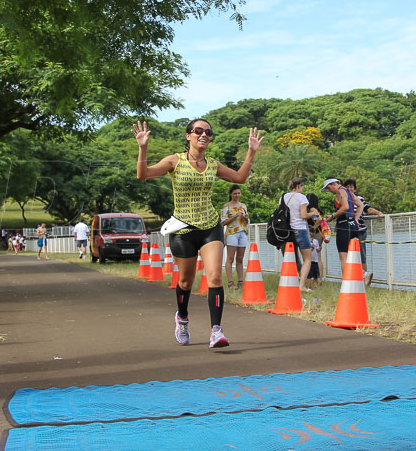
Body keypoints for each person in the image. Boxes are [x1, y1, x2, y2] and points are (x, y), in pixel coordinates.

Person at [134, 119, 262, 349]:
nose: (204, 135)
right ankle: (182, 318)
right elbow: (143, 175)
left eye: (208, 132)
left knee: (214, 276)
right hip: (182, 230)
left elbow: (239, 178)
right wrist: (143, 147)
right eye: (198, 131)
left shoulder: (213, 164)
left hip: (210, 226)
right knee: (185, 281)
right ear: (188, 136)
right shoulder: (174, 161)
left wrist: (251, 152)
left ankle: (216, 331)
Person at [281, 179, 320, 291]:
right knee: (307, 258)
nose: (302, 188)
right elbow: (303, 215)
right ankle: (301, 285)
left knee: (291, 259)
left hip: (288, 231)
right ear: (298, 186)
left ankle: (290, 283)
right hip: (300, 229)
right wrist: (313, 213)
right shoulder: (301, 197)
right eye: (302, 186)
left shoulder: (283, 197)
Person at [343, 179, 383, 286]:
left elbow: (367, 208)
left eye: (351, 187)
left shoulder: (359, 199)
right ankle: (358, 278)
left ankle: (365, 278)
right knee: (350, 255)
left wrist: (378, 213)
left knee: (361, 254)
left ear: (355, 189)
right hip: (348, 230)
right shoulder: (343, 199)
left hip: (359, 230)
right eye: (347, 187)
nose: (349, 189)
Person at [322, 178, 365, 276]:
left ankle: (347, 281)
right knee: (353, 254)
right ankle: (363, 274)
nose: (329, 191)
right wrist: (356, 219)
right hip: (352, 224)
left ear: (334, 184)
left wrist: (333, 216)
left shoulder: (340, 192)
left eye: (329, 188)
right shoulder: (349, 192)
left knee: (343, 255)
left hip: (344, 225)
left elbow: (345, 207)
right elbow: (360, 205)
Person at [220, 185, 249, 288]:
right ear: (231, 194)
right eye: (235, 193)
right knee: (230, 258)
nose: (237, 195)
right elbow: (223, 222)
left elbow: (246, 221)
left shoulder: (243, 206)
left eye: (238, 193)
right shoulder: (226, 206)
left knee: (240, 258)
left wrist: (246, 218)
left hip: (242, 232)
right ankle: (230, 282)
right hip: (232, 233)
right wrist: (235, 216)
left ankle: (240, 281)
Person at [306, 192, 326, 287]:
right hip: (320, 233)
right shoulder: (318, 209)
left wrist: (313, 227)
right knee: (318, 256)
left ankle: (316, 278)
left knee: (314, 256)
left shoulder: (311, 209)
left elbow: (319, 219)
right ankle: (318, 278)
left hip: (315, 233)